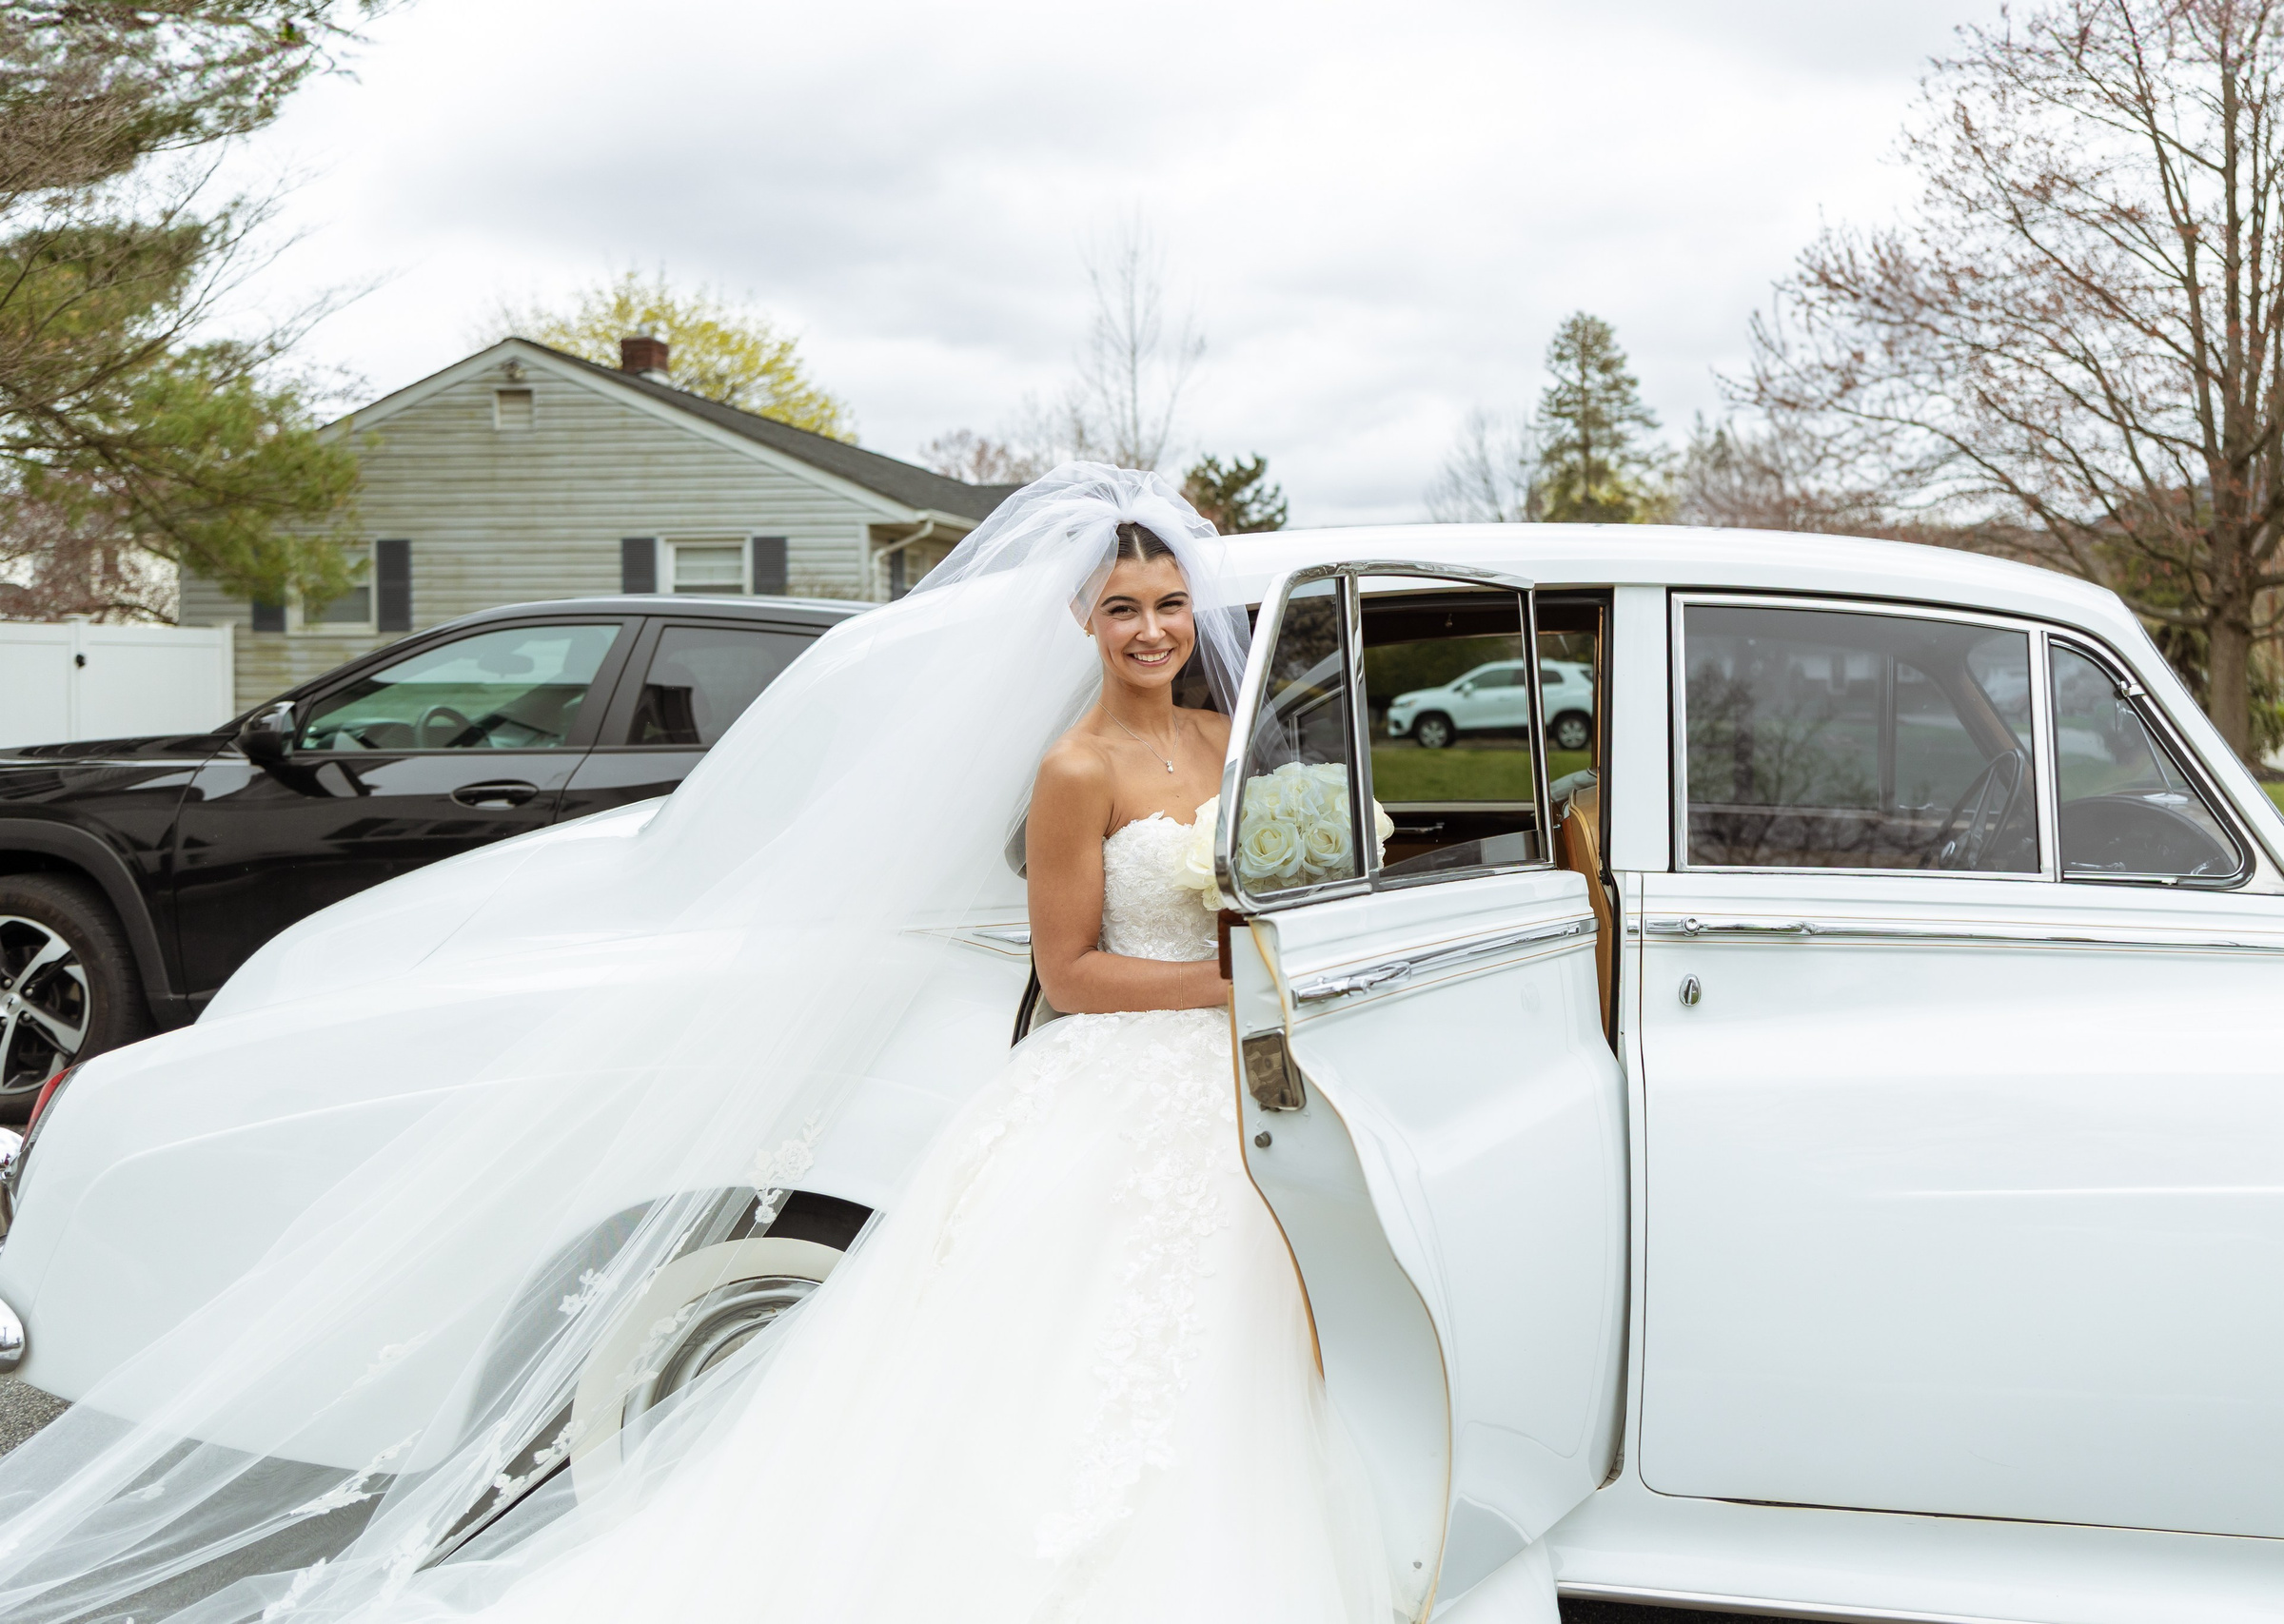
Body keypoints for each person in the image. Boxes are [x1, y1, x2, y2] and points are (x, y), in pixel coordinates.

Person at [0, 467, 1389, 1622]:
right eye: (1122, 608)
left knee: (1236, 1343)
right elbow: (1072, 973)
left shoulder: (1224, 735)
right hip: (1131, 1075)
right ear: (1083, 622)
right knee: (1087, 1339)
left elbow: (1265, 882)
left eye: (1168, 605)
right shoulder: (1074, 769)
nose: (1150, 630)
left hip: (1234, 1071)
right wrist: (1231, 987)